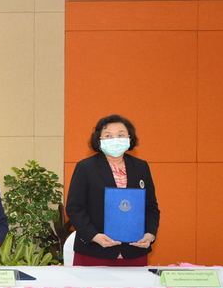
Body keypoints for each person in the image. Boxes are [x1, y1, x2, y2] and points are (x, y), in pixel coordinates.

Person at [66, 114, 159, 266]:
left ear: (129, 138)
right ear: (99, 140)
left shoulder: (141, 167)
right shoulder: (85, 167)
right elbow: (74, 208)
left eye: (120, 135)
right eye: (108, 135)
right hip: (94, 251)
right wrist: (94, 236)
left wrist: (150, 234)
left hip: (135, 251)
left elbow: (151, 207)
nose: (115, 139)